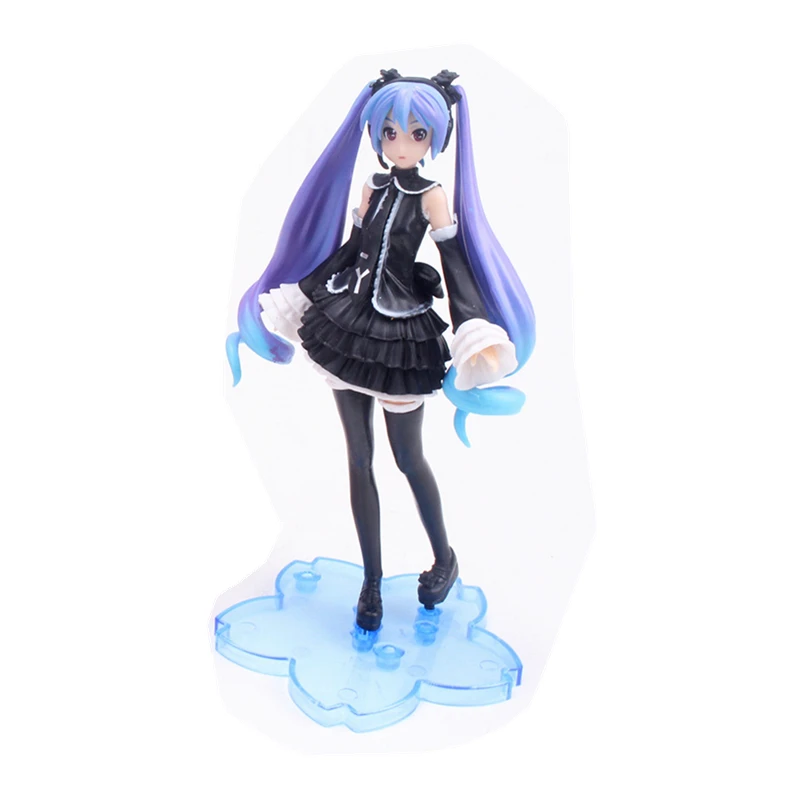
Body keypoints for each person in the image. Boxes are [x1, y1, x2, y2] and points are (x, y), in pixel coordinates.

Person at [226, 69, 535, 631]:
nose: (401, 144)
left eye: (416, 134)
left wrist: (472, 326)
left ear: (435, 139)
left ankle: (444, 558)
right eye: (390, 132)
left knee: (408, 458)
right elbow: (352, 251)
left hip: (400, 340)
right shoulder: (371, 187)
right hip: (347, 327)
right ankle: (371, 581)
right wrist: (303, 289)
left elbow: (454, 265)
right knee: (358, 458)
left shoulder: (433, 197)